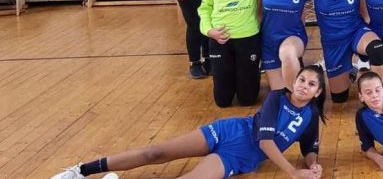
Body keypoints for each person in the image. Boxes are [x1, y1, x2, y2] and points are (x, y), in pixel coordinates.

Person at [51, 65, 327, 179]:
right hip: (229, 131)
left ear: (317, 92)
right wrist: (293, 172)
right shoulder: (277, 97)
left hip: (239, 156)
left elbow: (309, 146)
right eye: (301, 79)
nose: (304, 85)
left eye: (311, 84)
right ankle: (81, 171)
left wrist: (312, 163)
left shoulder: (311, 115)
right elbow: (266, 141)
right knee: (154, 152)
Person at [198, 0, 271, 107]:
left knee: (247, 100)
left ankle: (247, 81)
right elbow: (205, 7)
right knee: (222, 101)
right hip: (220, 39)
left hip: (247, 37)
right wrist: (209, 31)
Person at [308, 0, 383, 103]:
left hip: (356, 32)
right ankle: (353, 71)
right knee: (339, 98)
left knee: (378, 49)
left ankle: (379, 97)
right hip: (333, 42)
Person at [253, 0, 317, 92]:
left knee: (287, 52)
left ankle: (299, 99)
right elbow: (259, 12)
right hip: (269, 42)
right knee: (279, 92)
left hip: (293, 36)